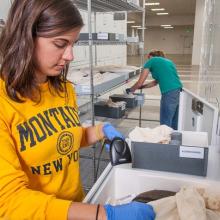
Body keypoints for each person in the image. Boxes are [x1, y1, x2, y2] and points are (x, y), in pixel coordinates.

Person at [0, 0, 155, 220]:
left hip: (76, 207)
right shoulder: (4, 102)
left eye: (73, 44)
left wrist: (101, 130)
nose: (70, 56)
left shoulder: (64, 90)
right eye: (60, 43)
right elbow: (8, 201)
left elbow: (62, 139)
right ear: (25, 37)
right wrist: (104, 214)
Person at [126, 50, 182, 130]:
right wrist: (142, 87)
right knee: (173, 121)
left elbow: (139, 82)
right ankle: (174, 140)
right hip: (178, 91)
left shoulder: (152, 60)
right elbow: (155, 82)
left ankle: (164, 140)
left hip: (169, 93)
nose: (148, 60)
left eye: (148, 58)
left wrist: (131, 90)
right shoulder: (169, 62)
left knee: (165, 122)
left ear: (150, 56)